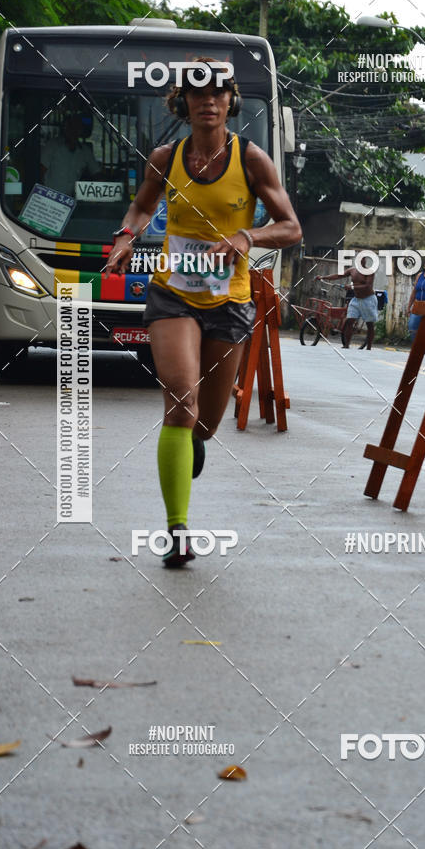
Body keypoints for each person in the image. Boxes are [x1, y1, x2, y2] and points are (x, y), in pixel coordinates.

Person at [105, 59, 301, 567]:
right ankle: (177, 531)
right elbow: (142, 207)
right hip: (173, 294)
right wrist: (127, 236)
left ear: (230, 101)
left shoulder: (251, 159)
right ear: (184, 103)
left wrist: (246, 236)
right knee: (180, 401)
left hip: (229, 302)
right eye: (197, 93)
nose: (208, 100)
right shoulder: (166, 158)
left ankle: (194, 440)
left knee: (206, 423)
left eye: (217, 92)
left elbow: (290, 227)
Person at [318, 255, 378, 349]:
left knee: (369, 324)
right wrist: (323, 277)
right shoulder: (352, 270)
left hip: (368, 299)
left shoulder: (369, 272)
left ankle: (369, 347)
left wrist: (352, 287)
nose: (361, 262)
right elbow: (338, 275)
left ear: (365, 261)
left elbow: (367, 286)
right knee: (349, 321)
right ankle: (346, 345)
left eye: (363, 260)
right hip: (356, 299)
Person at [40, 114, 100, 196]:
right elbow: (41, 171)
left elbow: (97, 174)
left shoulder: (85, 152)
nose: (74, 130)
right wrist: (42, 194)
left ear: (81, 130)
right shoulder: (52, 145)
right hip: (49, 197)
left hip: (70, 200)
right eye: (71, 126)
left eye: (77, 127)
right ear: (65, 128)